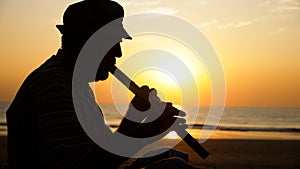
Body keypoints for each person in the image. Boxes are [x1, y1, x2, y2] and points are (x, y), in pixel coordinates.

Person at [6, 0, 201, 168]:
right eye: (113, 44)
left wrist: (134, 115)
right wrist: (148, 132)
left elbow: (102, 148)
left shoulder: (75, 83)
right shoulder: (54, 84)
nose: (118, 53)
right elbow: (77, 165)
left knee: (170, 158)